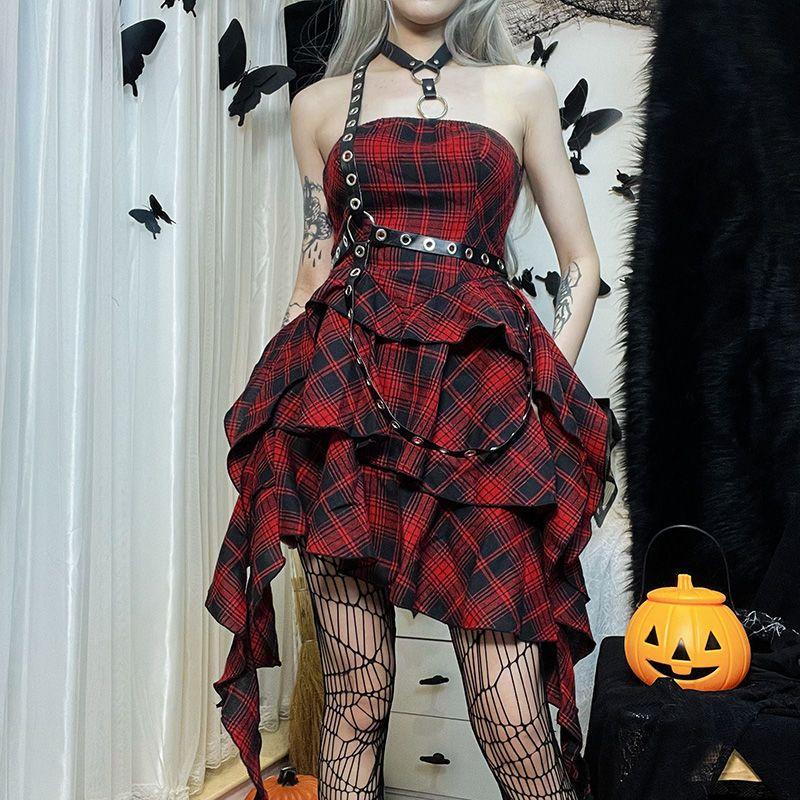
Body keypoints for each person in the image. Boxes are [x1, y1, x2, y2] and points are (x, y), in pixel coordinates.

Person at [206, 2, 613, 799]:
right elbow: (315, 271)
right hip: (345, 411)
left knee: (510, 710)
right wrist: (282, 405)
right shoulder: (319, 106)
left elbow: (581, 263)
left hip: (482, 413)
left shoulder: (522, 89)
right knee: (354, 697)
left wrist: (536, 394)